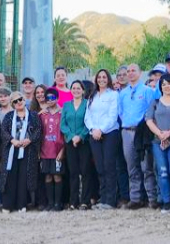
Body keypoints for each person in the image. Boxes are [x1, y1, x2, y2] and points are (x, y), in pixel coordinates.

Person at [118, 63, 158, 209]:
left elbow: (151, 110)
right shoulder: (122, 93)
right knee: (131, 166)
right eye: (128, 71)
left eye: (133, 70)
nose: (130, 73)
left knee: (146, 165)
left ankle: (152, 198)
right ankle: (135, 198)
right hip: (127, 131)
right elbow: (120, 112)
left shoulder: (147, 91)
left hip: (142, 131)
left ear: (140, 73)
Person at [146, 72, 170, 215]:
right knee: (162, 172)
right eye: (163, 84)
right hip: (158, 142)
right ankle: (167, 202)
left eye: (169, 83)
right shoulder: (155, 102)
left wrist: (169, 133)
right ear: (160, 87)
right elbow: (149, 120)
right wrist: (160, 134)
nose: (166, 86)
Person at [0, 90, 42, 213]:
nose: (19, 102)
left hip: (28, 151)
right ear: (12, 104)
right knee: (10, 177)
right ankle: (8, 205)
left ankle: (22, 204)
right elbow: (3, 131)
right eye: (15, 101)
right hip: (12, 150)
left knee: (24, 178)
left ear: (24, 100)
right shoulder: (9, 116)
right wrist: (12, 140)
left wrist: (29, 140)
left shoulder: (33, 115)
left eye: (21, 99)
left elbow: (38, 130)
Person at [84, 69, 120, 210]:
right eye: (99, 77)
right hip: (94, 134)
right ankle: (103, 198)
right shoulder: (92, 96)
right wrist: (93, 129)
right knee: (99, 167)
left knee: (109, 166)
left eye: (104, 77)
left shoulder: (113, 95)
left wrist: (101, 130)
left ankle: (111, 200)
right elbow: (87, 116)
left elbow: (113, 115)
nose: (102, 79)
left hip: (109, 133)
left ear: (108, 79)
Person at [61, 80, 90, 210]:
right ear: (71, 90)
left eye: (79, 88)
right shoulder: (66, 105)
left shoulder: (88, 104)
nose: (76, 90)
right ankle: (73, 201)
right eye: (73, 88)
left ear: (83, 91)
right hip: (70, 142)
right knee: (73, 173)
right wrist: (72, 136)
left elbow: (89, 122)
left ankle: (85, 201)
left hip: (84, 142)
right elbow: (63, 125)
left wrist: (80, 136)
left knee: (85, 171)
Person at [38, 87, 66, 211]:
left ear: (57, 98)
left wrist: (63, 150)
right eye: (47, 98)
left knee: (57, 176)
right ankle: (50, 203)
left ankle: (57, 203)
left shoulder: (62, 113)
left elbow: (65, 133)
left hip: (57, 150)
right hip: (45, 150)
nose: (50, 100)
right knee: (48, 176)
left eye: (52, 98)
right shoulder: (42, 114)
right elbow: (39, 133)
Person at [0, 86, 15, 209]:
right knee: (1, 175)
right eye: (0, 96)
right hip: (0, 149)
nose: (3, 98)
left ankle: (11, 201)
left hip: (13, 146)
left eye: (5, 96)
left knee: (12, 175)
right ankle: (1, 201)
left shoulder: (16, 111)